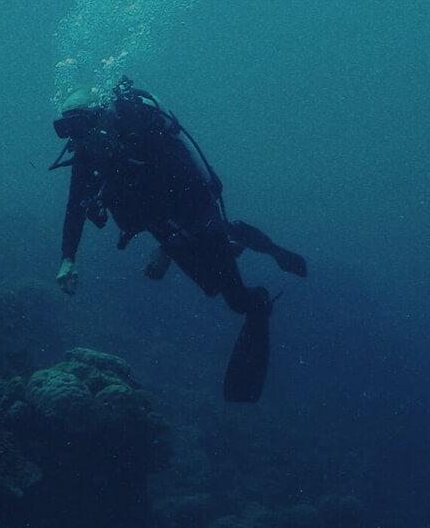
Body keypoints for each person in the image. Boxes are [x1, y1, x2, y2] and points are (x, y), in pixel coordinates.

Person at [50, 77, 307, 403]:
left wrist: (166, 250)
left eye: (80, 124)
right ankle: (234, 238)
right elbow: (75, 206)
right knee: (211, 287)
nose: (77, 136)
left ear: (101, 116)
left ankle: (256, 289)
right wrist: (68, 258)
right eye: (67, 129)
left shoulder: (145, 137)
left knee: (237, 301)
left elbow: (193, 193)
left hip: (198, 216)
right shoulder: (89, 153)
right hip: (164, 226)